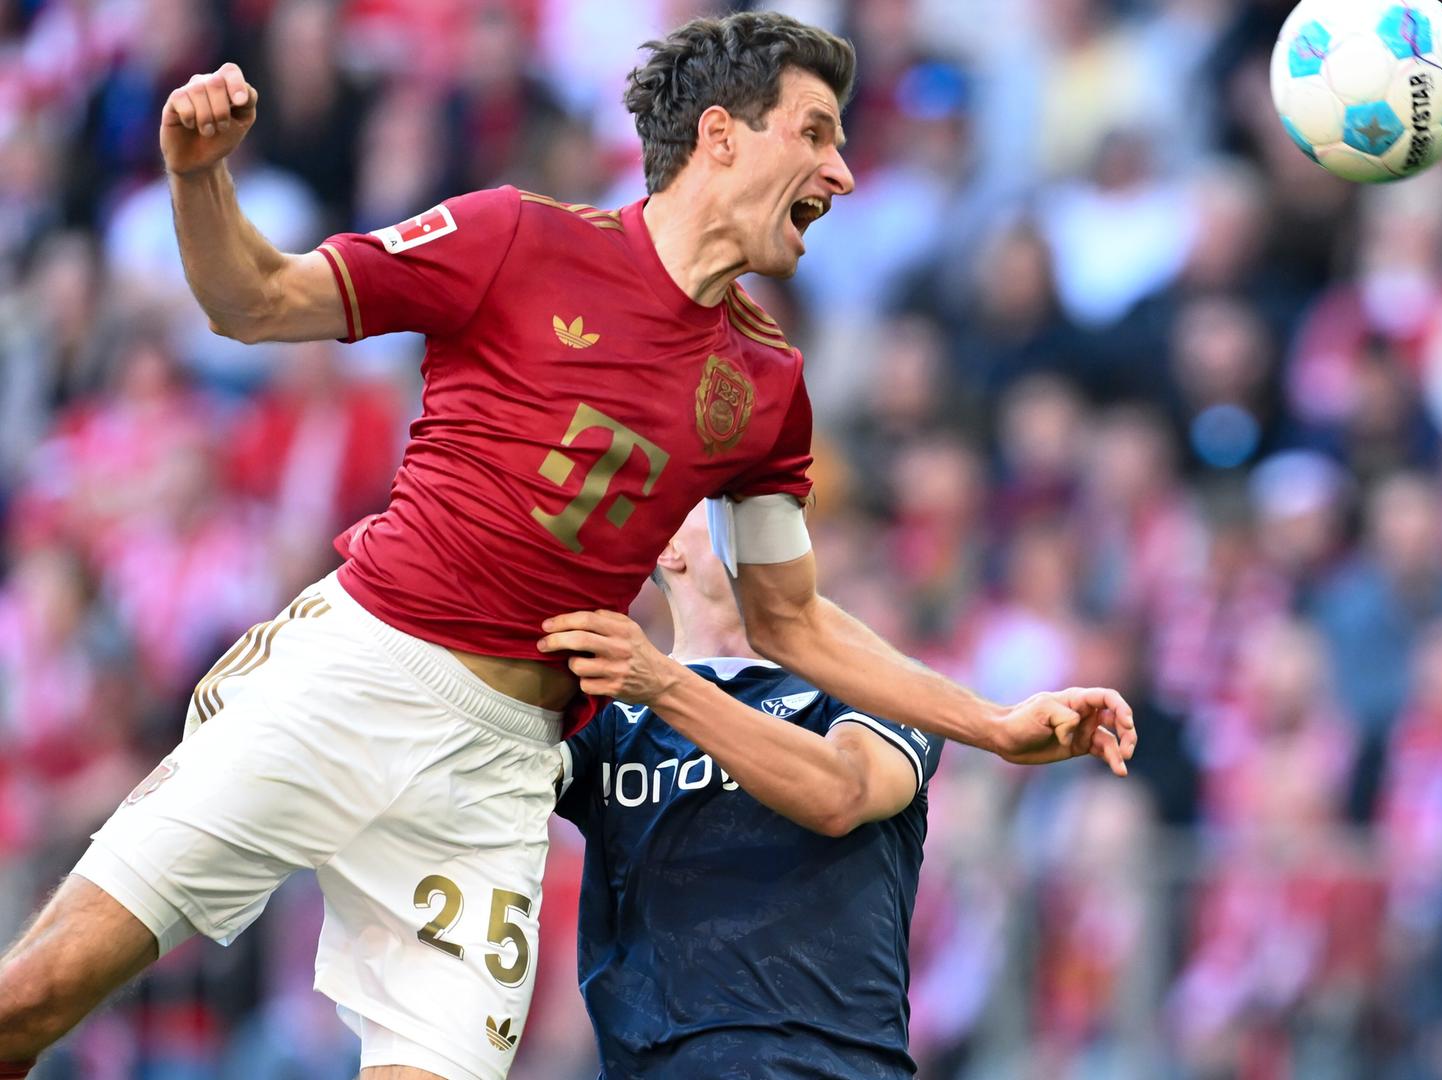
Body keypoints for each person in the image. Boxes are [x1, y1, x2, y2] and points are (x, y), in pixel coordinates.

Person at [0, 13, 1135, 1080]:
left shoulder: (768, 385)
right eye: (819, 134)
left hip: (497, 770)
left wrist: (990, 722)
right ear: (722, 136)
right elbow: (256, 302)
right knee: (34, 996)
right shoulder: (512, 236)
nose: (842, 173)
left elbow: (790, 620)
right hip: (355, 672)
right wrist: (200, 178)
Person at [552, 504, 943, 1077]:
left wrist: (665, 685)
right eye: (730, 499)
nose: (766, 514)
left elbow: (843, 792)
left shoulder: (879, 682)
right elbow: (477, 785)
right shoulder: (609, 717)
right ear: (665, 546)